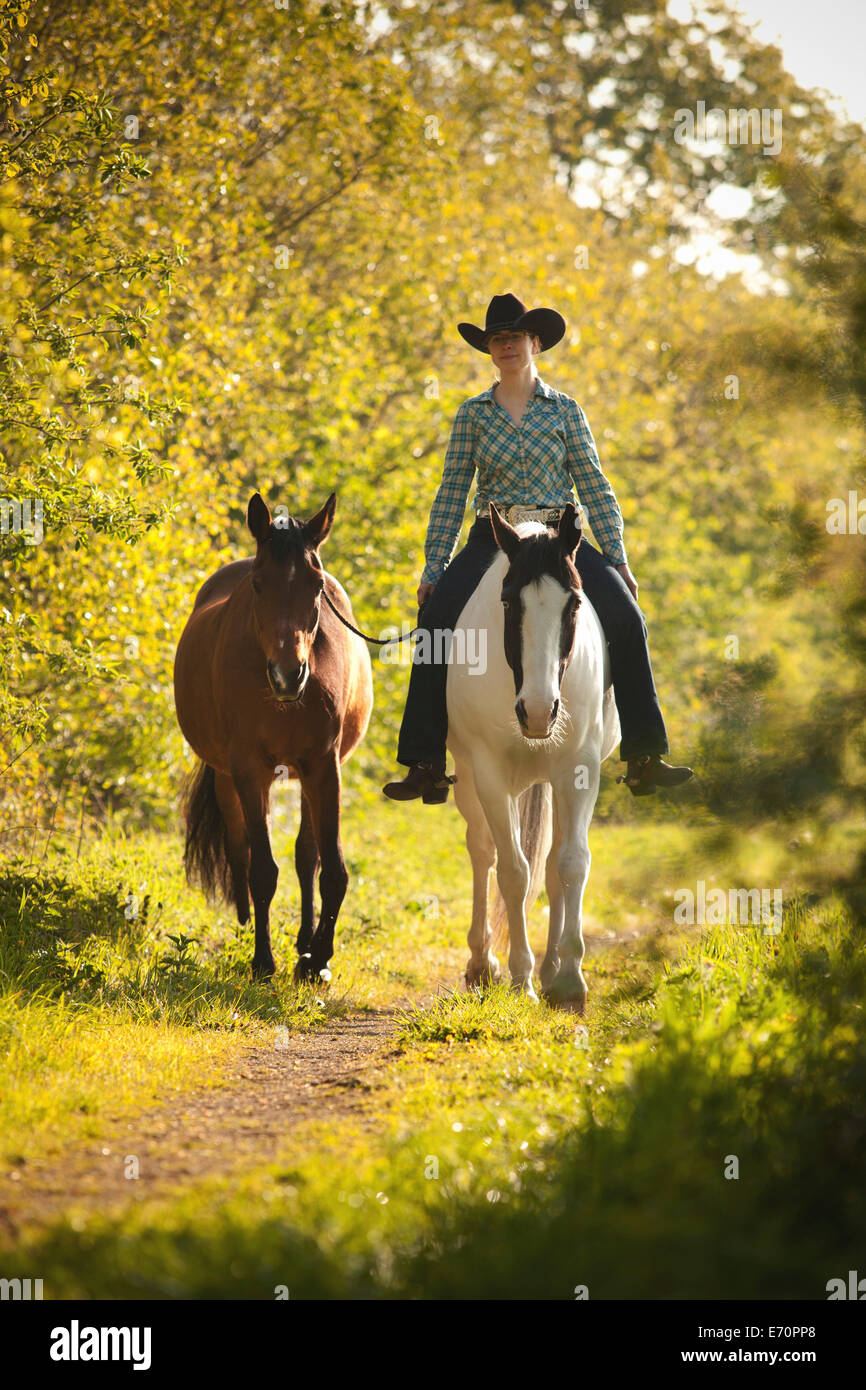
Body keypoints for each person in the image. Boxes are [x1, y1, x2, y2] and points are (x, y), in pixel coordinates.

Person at [382, 292, 693, 804]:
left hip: (557, 537)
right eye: (497, 340)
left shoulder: (567, 411)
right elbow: (452, 491)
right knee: (435, 622)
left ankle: (644, 754)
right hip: (495, 535)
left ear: (535, 343)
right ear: (489, 349)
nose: (506, 346)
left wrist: (617, 557)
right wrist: (433, 566)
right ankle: (425, 761)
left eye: (515, 337)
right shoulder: (472, 414)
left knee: (627, 616)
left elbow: (594, 484)